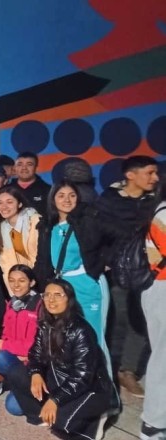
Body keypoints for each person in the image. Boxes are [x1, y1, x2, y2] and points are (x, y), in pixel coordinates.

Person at [9, 279, 111, 438]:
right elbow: (35, 354)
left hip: (88, 390)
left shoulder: (81, 330)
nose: (51, 300)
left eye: (58, 295)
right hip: (57, 381)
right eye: (47, 295)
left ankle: (97, 419)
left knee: (60, 425)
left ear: (69, 299)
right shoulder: (45, 323)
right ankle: (41, 416)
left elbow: (82, 376)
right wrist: (35, 373)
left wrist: (55, 400)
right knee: (15, 372)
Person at [34, 181, 115, 379]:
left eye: (72, 195)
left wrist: (104, 263)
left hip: (87, 285)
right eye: (61, 195)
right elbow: (42, 260)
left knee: (93, 337)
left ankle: (103, 389)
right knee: (66, 338)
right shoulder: (47, 226)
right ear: (53, 199)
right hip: (61, 287)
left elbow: (113, 238)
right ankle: (74, 386)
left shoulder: (87, 220)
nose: (67, 200)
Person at [95, 155, 159, 398]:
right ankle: (109, 369)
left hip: (148, 271)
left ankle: (128, 370)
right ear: (131, 175)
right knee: (117, 319)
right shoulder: (110, 199)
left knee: (140, 321)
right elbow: (98, 232)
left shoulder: (156, 201)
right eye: (149, 173)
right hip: (117, 270)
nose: (155, 178)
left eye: (156, 173)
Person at [0, 265, 42, 417]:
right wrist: (10, 348)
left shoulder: (39, 305)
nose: (16, 285)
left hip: (34, 363)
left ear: (32, 282)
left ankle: (36, 390)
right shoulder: (11, 303)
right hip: (17, 358)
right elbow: (6, 333)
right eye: (12, 280)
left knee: (14, 407)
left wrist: (7, 346)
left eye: (22, 280)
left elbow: (37, 344)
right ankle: (16, 383)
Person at [141, 180, 166, 439]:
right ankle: (154, 423)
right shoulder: (165, 214)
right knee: (163, 357)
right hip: (162, 288)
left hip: (159, 288)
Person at [0, 185, 40, 294]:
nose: (4, 207)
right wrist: (14, 294)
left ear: (20, 204)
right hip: (20, 285)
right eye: (0, 203)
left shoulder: (35, 221)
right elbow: (6, 266)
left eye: (9, 202)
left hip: (40, 278)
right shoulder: (2, 228)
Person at [12, 152, 51, 216]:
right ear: (15, 167)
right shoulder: (6, 189)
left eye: (29, 164)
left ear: (36, 168)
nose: (24, 168)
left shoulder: (48, 190)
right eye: (20, 164)